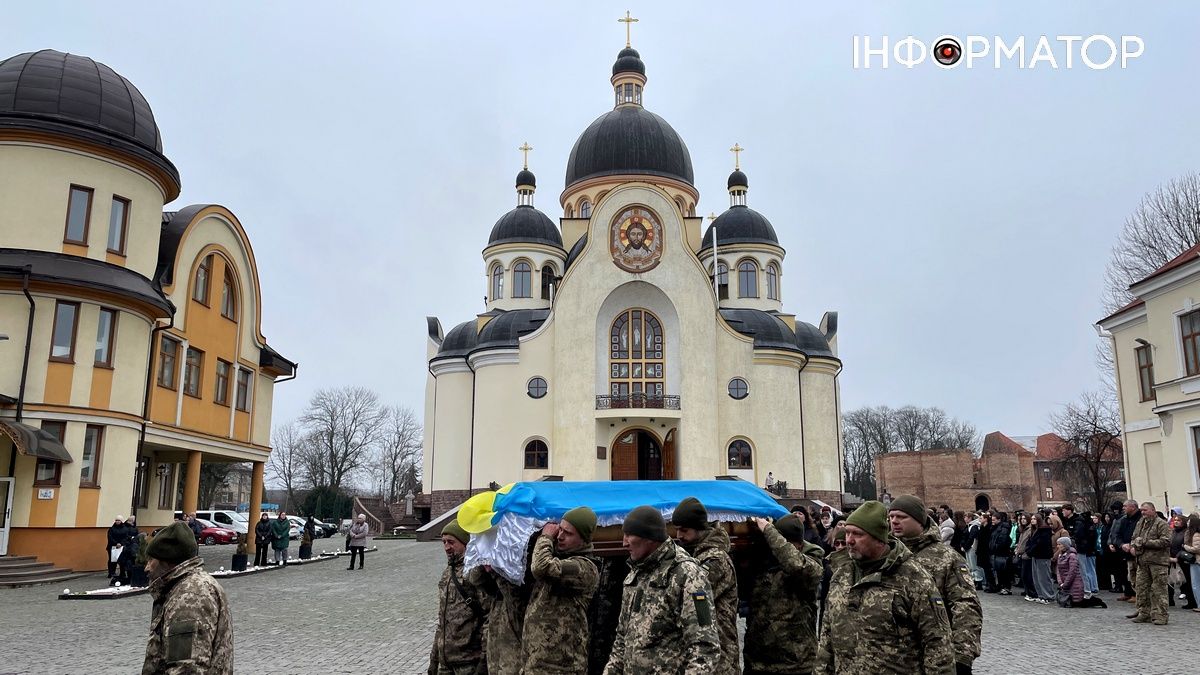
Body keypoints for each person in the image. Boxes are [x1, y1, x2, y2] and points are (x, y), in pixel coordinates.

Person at [817, 501, 952, 675]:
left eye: (858, 534)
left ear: (878, 539)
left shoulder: (913, 578)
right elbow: (827, 636)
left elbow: (937, 643)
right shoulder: (842, 574)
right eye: (848, 532)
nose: (849, 540)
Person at [603, 505, 720, 674]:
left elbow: (705, 648)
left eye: (629, 535)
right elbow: (622, 640)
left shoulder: (687, 575)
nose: (624, 542)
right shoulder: (636, 574)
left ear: (649, 537)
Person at [887, 496, 981, 675]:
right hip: (893, 658)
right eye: (891, 517)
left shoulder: (946, 558)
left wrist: (962, 656)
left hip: (935, 653)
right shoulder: (886, 555)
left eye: (901, 517)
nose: (894, 521)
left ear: (919, 520)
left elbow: (966, 606)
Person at [141, 521, 233, 674]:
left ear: (168, 561)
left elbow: (186, 667)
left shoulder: (189, 596)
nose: (147, 567)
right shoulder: (187, 585)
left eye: (151, 560)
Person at [742, 513, 823, 675]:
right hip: (757, 662)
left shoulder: (811, 563)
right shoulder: (763, 561)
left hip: (794, 663)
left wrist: (770, 531)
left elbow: (795, 565)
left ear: (799, 545)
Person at [522, 506, 600, 673]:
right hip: (536, 664)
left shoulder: (583, 568)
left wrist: (545, 536)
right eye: (560, 530)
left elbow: (541, 567)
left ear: (584, 539)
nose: (561, 537)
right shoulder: (558, 556)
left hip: (561, 668)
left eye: (569, 533)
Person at [671, 498, 738, 675]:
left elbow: (686, 595)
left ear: (700, 529)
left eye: (684, 530)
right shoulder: (695, 554)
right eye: (676, 530)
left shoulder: (716, 559)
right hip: (699, 656)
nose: (678, 536)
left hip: (719, 657)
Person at [429, 521, 486, 674]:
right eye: (444, 542)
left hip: (468, 663)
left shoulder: (475, 573)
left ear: (465, 543)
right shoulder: (448, 573)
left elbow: (488, 619)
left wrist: (484, 661)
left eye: (451, 542)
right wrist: (434, 660)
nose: (447, 547)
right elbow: (442, 622)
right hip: (445, 663)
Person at [1126, 501, 1171, 625]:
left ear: (1153, 510)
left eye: (1145, 510)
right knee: (1141, 588)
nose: (1143, 512)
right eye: (1141, 510)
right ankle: (1144, 612)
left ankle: (1161, 615)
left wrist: (1145, 542)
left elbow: (1165, 541)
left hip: (1158, 562)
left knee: (1159, 590)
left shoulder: (1161, 524)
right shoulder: (1141, 523)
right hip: (1142, 561)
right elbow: (1134, 537)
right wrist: (1133, 546)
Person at [1112, 499, 1141, 601]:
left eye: (1125, 506)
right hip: (1124, 550)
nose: (1123, 508)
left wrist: (1132, 545)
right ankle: (1128, 592)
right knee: (1126, 573)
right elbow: (1117, 534)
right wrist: (1121, 544)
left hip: (1136, 551)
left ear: (1133, 507)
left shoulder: (1140, 519)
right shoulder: (1124, 520)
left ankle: (1137, 594)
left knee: (1136, 574)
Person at [1168, 512, 1197, 609]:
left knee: (1187, 582)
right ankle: (1170, 600)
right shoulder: (1173, 532)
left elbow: (1185, 545)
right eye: (1174, 520)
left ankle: (1192, 601)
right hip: (1172, 559)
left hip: (1183, 559)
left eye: (1178, 520)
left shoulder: (1186, 532)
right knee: (1171, 580)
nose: (1176, 522)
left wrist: (1178, 556)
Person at [1027, 513, 1055, 604]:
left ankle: (1048, 596)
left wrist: (1030, 550)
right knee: (1036, 577)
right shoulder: (1035, 530)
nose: (1032, 520)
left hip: (1043, 556)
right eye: (1031, 519)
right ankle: (1041, 595)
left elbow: (1040, 543)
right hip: (1035, 555)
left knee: (1044, 577)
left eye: (1034, 519)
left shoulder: (1044, 530)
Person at [989, 512, 1013, 595]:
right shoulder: (995, 527)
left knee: (1004, 571)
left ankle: (1006, 587)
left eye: (994, 520)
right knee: (999, 571)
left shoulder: (1003, 528)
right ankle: (1002, 586)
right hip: (998, 552)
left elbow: (1002, 540)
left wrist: (995, 547)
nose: (992, 521)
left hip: (1002, 553)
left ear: (999, 520)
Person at [1184, 512, 1200, 614]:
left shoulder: (1195, 535)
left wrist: (1185, 547)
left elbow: (1197, 549)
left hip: (1197, 561)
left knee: (1196, 584)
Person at [107, 515, 126, 580]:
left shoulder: (124, 529)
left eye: (119, 520)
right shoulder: (111, 529)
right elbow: (110, 537)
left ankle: (122, 573)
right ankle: (111, 572)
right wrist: (116, 543)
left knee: (121, 560)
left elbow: (126, 537)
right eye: (116, 520)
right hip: (112, 546)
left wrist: (121, 543)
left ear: (121, 521)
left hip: (121, 546)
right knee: (112, 560)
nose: (117, 521)